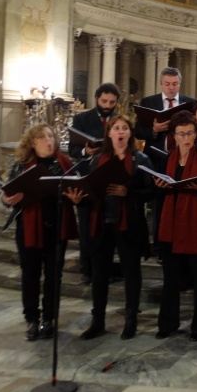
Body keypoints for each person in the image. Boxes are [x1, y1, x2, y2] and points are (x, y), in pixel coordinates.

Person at [79, 115, 155, 340]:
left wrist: (128, 192)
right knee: (99, 273)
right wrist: (78, 198)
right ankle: (98, 320)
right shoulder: (97, 160)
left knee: (132, 272)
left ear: (130, 134)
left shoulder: (141, 160)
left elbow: (152, 192)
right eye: (116, 128)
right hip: (102, 222)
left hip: (129, 223)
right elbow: (89, 190)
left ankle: (131, 320)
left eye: (124, 128)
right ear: (109, 134)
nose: (120, 132)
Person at [2, 124, 78, 341]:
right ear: (32, 142)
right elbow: (7, 193)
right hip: (28, 227)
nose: (49, 141)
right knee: (30, 275)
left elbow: (76, 188)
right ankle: (32, 319)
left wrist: (75, 196)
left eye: (51, 137)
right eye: (43, 137)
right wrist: (7, 199)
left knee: (54, 276)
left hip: (56, 226)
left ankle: (49, 319)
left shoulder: (64, 163)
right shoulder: (22, 165)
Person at [153, 110, 197, 341]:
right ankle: (167, 322)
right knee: (170, 278)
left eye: (190, 133)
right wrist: (159, 186)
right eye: (181, 134)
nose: (186, 138)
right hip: (170, 225)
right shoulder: (164, 160)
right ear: (174, 136)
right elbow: (158, 196)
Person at [69, 82, 121, 284]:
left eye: (112, 102)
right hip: (88, 178)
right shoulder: (82, 118)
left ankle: (105, 269)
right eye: (104, 101)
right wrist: (85, 151)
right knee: (86, 226)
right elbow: (73, 148)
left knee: (107, 227)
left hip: (110, 178)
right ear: (96, 99)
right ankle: (86, 269)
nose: (108, 105)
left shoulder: (119, 120)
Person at [135, 67, 197, 157]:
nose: (171, 87)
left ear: (180, 84)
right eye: (167, 84)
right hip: (155, 155)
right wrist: (154, 130)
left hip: (183, 155)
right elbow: (138, 132)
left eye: (175, 84)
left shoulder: (191, 103)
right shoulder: (148, 102)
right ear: (161, 84)